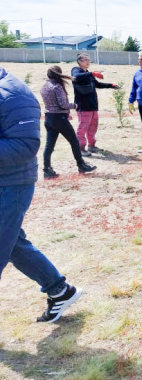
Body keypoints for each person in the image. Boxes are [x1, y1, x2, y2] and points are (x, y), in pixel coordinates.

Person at [0, 66, 83, 322]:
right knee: (12, 243)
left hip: (11, 185)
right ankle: (60, 291)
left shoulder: (13, 95)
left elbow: (25, 145)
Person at [39, 66, 96, 178]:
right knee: (74, 142)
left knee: (49, 146)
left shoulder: (44, 87)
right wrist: (74, 106)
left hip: (49, 118)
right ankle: (81, 165)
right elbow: (63, 104)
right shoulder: (57, 87)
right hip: (60, 119)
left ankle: (47, 169)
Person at [71, 52, 119, 155]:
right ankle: (80, 148)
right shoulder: (76, 70)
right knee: (82, 127)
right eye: (86, 60)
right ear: (80, 61)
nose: (89, 62)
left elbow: (98, 84)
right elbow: (77, 77)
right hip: (83, 106)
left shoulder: (88, 73)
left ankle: (91, 146)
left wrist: (111, 85)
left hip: (92, 105)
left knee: (93, 127)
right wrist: (92, 73)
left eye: (89, 60)